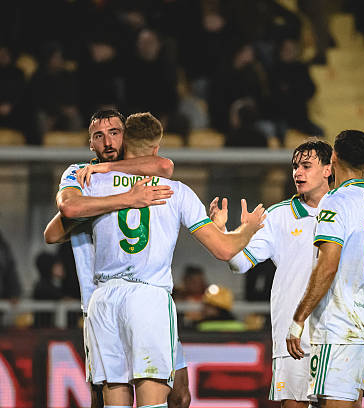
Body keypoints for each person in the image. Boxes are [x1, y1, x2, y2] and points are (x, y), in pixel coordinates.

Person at [77, 112, 265, 408]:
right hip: (148, 298)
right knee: (154, 401)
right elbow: (224, 250)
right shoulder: (176, 191)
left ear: (125, 142)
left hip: (104, 298)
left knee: (113, 402)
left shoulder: (92, 183)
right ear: (156, 147)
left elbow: (57, 228)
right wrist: (248, 229)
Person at [44, 108, 181, 408]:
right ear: (90, 143)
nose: (107, 142)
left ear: (125, 136)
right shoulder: (80, 173)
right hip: (100, 298)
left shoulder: (139, 170)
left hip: (147, 299)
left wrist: (103, 181)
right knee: (103, 397)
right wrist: (126, 199)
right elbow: (60, 221)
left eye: (114, 133)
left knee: (179, 395)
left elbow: (166, 165)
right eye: (98, 136)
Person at [210, 139, 333, 407]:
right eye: (295, 166)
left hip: (339, 335)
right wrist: (224, 233)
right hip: (294, 339)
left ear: (328, 169)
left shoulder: (345, 210)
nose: (298, 172)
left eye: (306, 166)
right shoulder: (277, 216)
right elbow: (239, 263)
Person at [286, 130, 364, 407]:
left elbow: (328, 266)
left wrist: (299, 318)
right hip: (362, 328)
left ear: (333, 157)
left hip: (337, 330)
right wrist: (358, 299)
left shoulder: (335, 201)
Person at [32, 251, 66, 328]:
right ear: (48, 267)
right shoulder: (42, 286)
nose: (61, 267)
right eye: (57, 265)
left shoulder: (53, 285)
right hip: (43, 329)